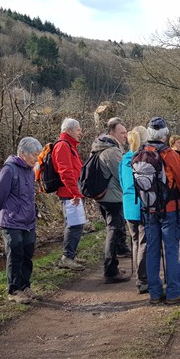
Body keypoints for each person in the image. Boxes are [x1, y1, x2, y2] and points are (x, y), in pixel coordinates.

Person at [0, 136, 44, 304]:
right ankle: (14, 290)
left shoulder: (29, 170)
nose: (37, 159)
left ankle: (26, 286)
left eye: (38, 155)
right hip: (11, 221)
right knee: (15, 254)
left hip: (28, 221)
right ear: (22, 154)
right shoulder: (9, 170)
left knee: (27, 253)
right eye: (34, 155)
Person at [141, 116, 180, 305]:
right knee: (171, 249)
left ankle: (154, 292)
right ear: (164, 134)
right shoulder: (167, 153)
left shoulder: (142, 150)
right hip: (168, 208)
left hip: (147, 207)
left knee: (152, 249)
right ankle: (173, 292)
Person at [90, 117, 131, 284]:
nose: (125, 136)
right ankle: (110, 271)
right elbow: (121, 175)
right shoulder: (112, 152)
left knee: (112, 230)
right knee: (113, 232)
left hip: (103, 196)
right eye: (122, 133)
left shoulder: (98, 148)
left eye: (126, 133)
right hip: (112, 198)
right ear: (112, 133)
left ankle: (112, 266)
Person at [53, 117, 86, 271]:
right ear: (69, 130)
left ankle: (71, 255)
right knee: (74, 224)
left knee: (76, 223)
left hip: (72, 192)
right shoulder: (63, 146)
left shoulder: (69, 145)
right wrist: (75, 193)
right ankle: (67, 257)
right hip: (70, 193)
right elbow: (66, 172)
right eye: (78, 129)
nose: (80, 132)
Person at [121, 125, 149, 294]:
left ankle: (140, 278)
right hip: (142, 203)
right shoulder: (143, 159)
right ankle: (143, 279)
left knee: (135, 241)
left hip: (128, 204)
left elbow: (122, 183)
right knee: (143, 241)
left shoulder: (124, 159)